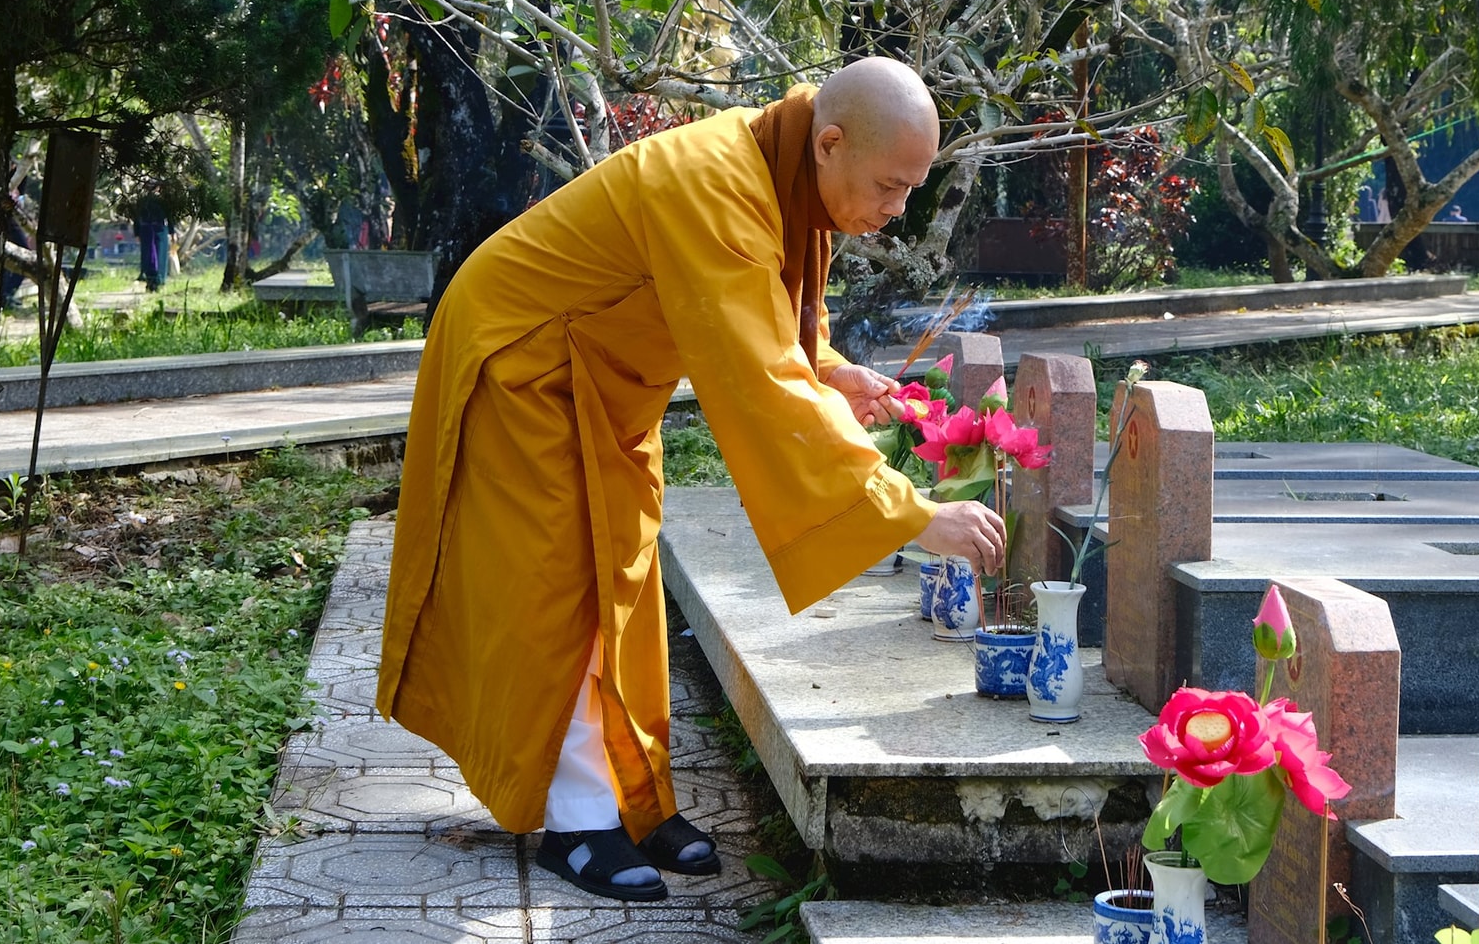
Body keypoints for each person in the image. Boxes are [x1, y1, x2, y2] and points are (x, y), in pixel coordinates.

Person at [376, 58, 1007, 903]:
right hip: (520, 360)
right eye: (892, 186)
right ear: (828, 144)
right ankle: (577, 821)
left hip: (598, 379)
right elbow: (758, 379)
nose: (897, 212)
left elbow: (759, 323)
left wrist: (831, 369)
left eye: (909, 192)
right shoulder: (717, 180)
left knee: (626, 587)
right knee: (559, 587)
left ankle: (630, 800)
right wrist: (910, 512)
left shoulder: (774, 171)